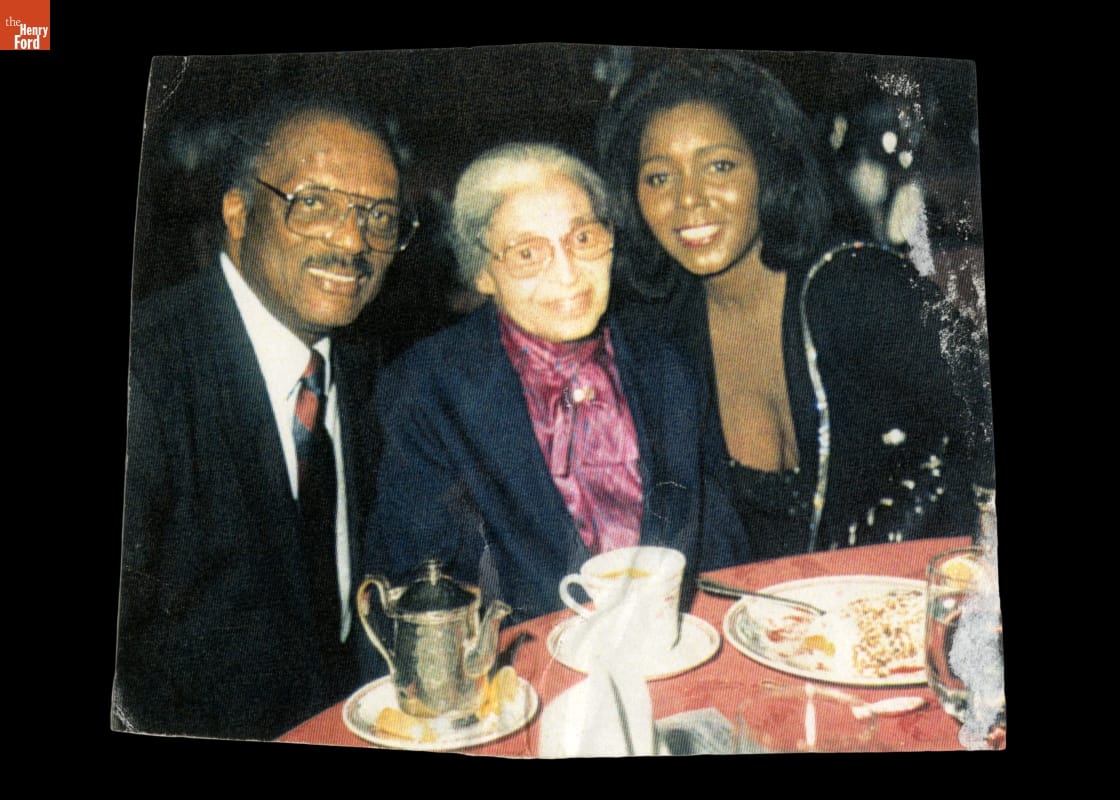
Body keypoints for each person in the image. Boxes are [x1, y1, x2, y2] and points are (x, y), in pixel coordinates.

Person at [596, 52, 995, 560]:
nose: (688, 200)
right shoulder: (655, 337)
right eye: (658, 178)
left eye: (719, 166)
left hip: (898, 601)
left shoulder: (857, 289)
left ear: (769, 168)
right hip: (757, 622)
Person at [114, 100, 417, 740]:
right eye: (315, 204)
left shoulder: (368, 372)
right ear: (238, 213)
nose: (353, 240)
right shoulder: (148, 369)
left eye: (380, 216)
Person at [365, 143, 744, 625]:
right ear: (483, 272)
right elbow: (416, 597)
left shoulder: (668, 367)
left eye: (582, 238)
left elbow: (724, 555)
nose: (568, 275)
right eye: (527, 253)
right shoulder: (428, 392)